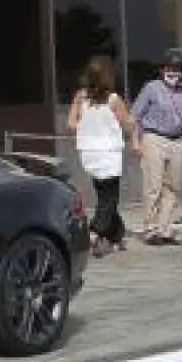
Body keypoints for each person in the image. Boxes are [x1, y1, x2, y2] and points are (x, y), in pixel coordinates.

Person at [130, 48, 182, 245]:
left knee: (173, 187)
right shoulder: (152, 88)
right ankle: (151, 229)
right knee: (153, 185)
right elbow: (135, 116)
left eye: (176, 68)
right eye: (168, 68)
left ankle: (165, 229)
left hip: (178, 141)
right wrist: (135, 141)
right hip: (153, 138)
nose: (171, 72)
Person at [65, 55, 136, 256]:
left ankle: (116, 235)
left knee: (103, 194)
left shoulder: (80, 97)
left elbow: (70, 124)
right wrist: (134, 141)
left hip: (88, 153)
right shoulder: (113, 100)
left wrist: (88, 127)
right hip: (109, 154)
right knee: (109, 198)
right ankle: (94, 232)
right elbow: (128, 124)